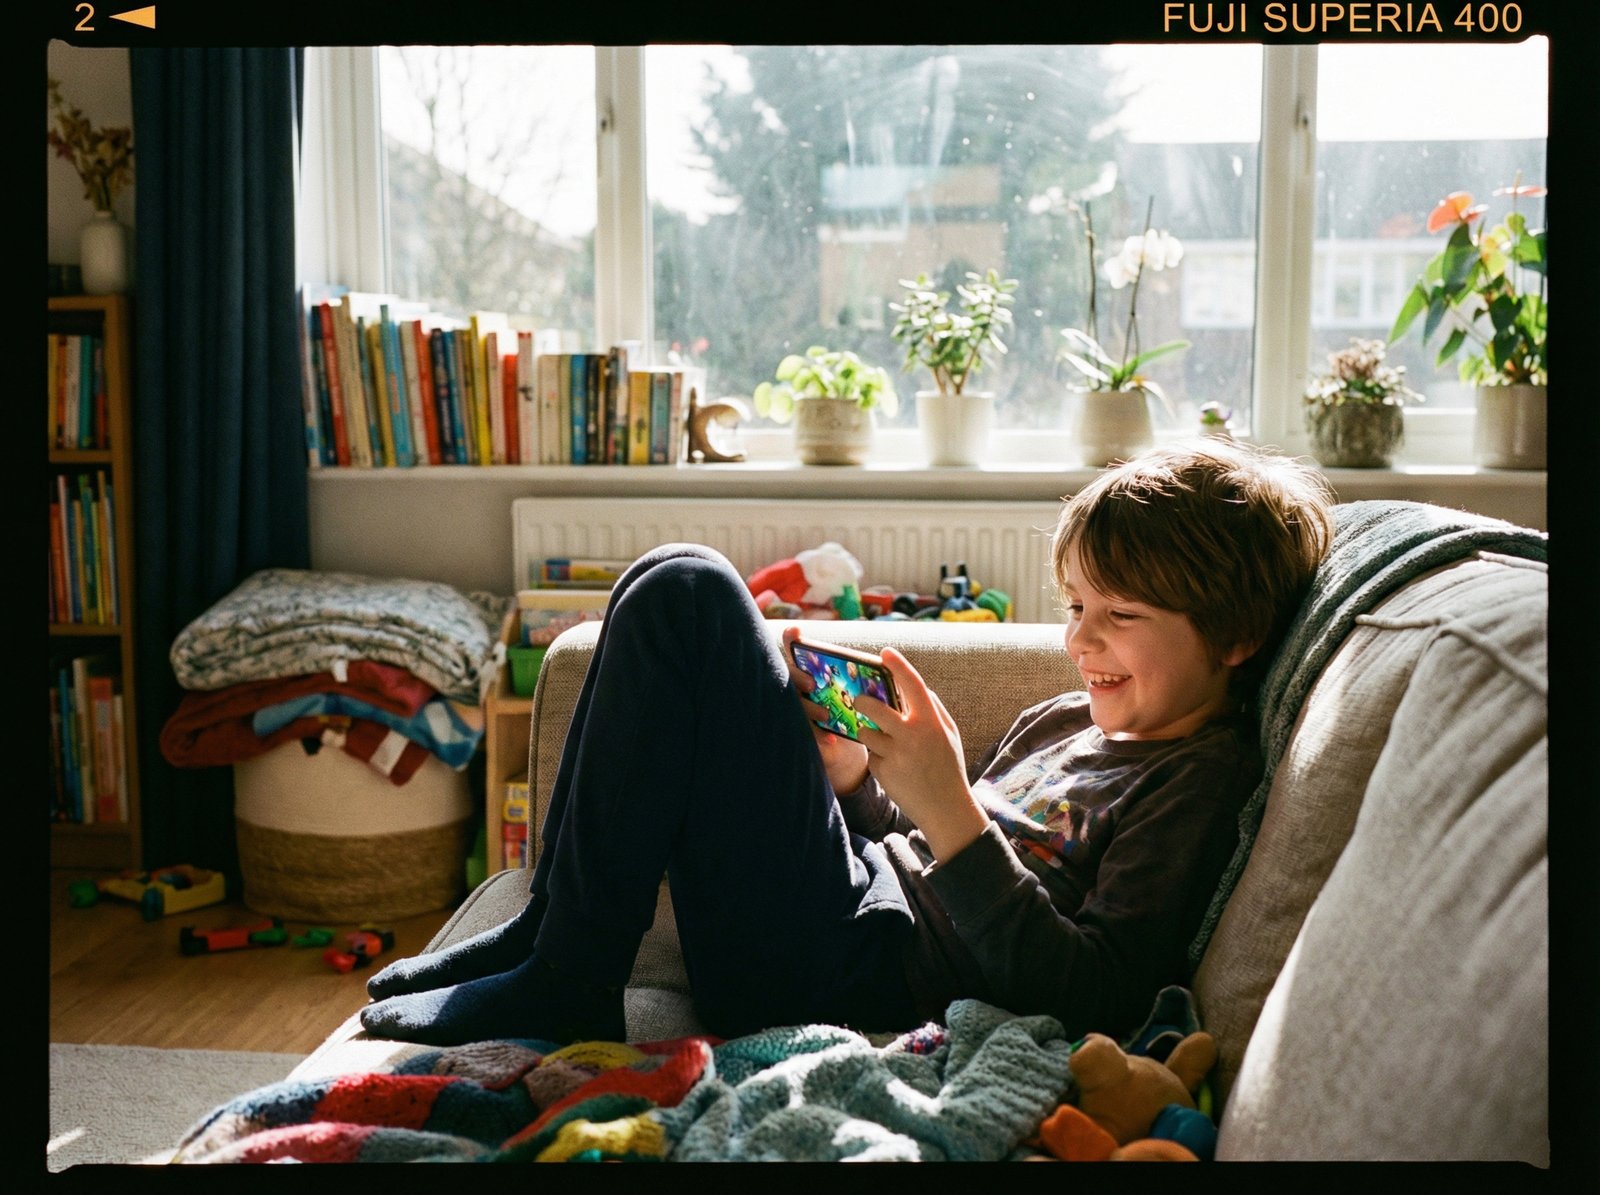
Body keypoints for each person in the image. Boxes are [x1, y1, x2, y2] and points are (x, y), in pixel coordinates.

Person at [359, 441, 1335, 1048]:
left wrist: (948, 806)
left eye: (1119, 614)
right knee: (663, 578)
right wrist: (860, 786)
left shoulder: (1197, 782)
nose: (1079, 641)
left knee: (690, 593)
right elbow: (921, 861)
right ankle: (551, 931)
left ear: (1236, 636)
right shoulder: (1063, 720)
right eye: (1074, 605)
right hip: (849, 900)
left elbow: (1095, 996)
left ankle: (571, 980)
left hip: (841, 973)